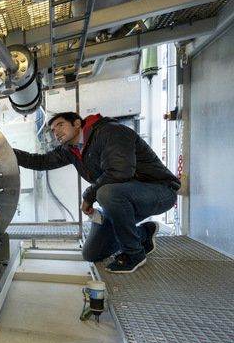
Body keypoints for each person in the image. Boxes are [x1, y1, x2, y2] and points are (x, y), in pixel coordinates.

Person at [13, 112, 180, 273]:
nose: (56, 132)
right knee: (92, 253)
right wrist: (4, 152)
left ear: (77, 123)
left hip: (160, 190)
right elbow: (39, 162)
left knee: (106, 193)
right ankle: (144, 233)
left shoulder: (110, 132)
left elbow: (119, 172)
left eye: (60, 125)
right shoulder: (70, 149)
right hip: (122, 200)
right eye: (53, 130)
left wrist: (88, 196)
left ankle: (134, 254)